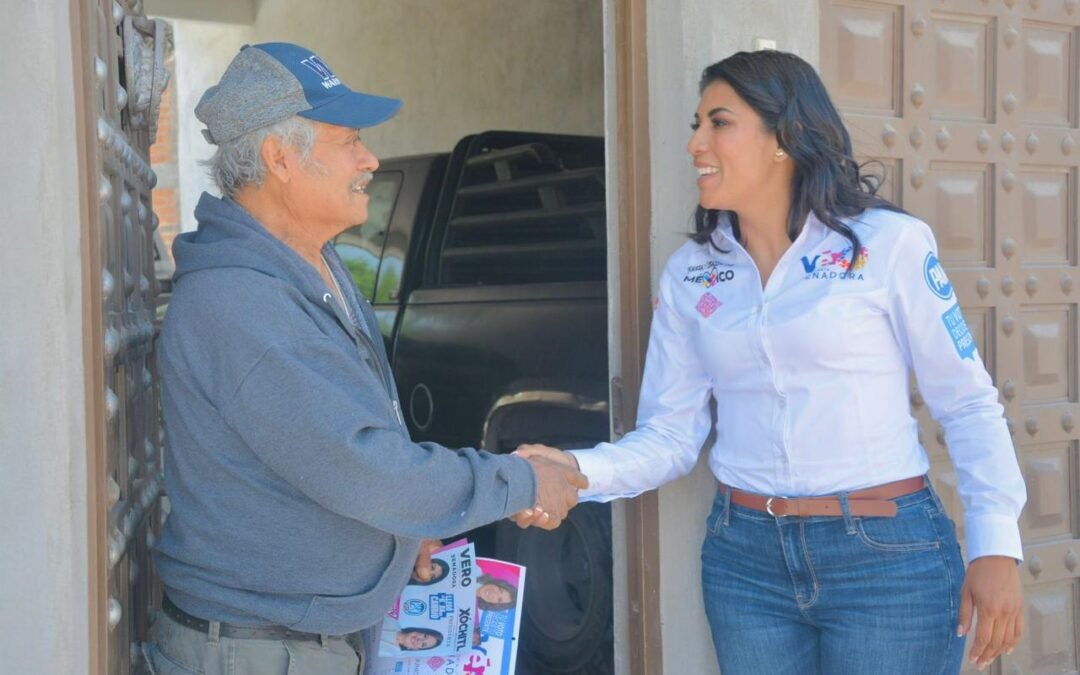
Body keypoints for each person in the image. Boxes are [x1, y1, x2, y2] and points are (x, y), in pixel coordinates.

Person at [516, 50, 1026, 675]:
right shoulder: (692, 274)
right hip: (745, 561)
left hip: (887, 558)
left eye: (718, 122)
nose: (695, 142)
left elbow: (967, 400)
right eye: (695, 123)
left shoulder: (887, 246)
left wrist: (996, 543)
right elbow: (671, 435)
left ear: (785, 137)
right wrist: (572, 469)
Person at [146, 42, 586, 675]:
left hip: (294, 638)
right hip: (260, 651)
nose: (370, 159)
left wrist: (395, 539)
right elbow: (365, 468)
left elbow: (325, 455)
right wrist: (519, 480)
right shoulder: (241, 303)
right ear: (279, 159)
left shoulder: (306, 265)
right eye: (349, 140)